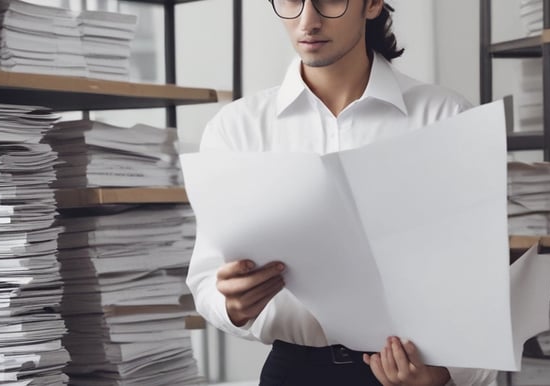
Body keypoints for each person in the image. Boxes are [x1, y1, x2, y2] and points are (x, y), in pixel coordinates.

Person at [187, 0, 497, 384]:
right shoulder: (237, 130)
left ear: (371, 4)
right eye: (290, 1)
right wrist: (232, 304)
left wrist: (444, 375)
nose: (308, 21)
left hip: (410, 373)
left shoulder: (446, 118)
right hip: (291, 372)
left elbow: (484, 292)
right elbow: (205, 279)